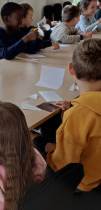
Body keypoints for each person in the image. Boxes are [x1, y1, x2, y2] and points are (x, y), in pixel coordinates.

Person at [46, 38, 101, 192]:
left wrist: (51, 150)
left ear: (71, 69)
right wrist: (71, 111)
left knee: (37, 143)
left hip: (85, 184)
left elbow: (62, 167)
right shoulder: (78, 115)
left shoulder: (77, 117)